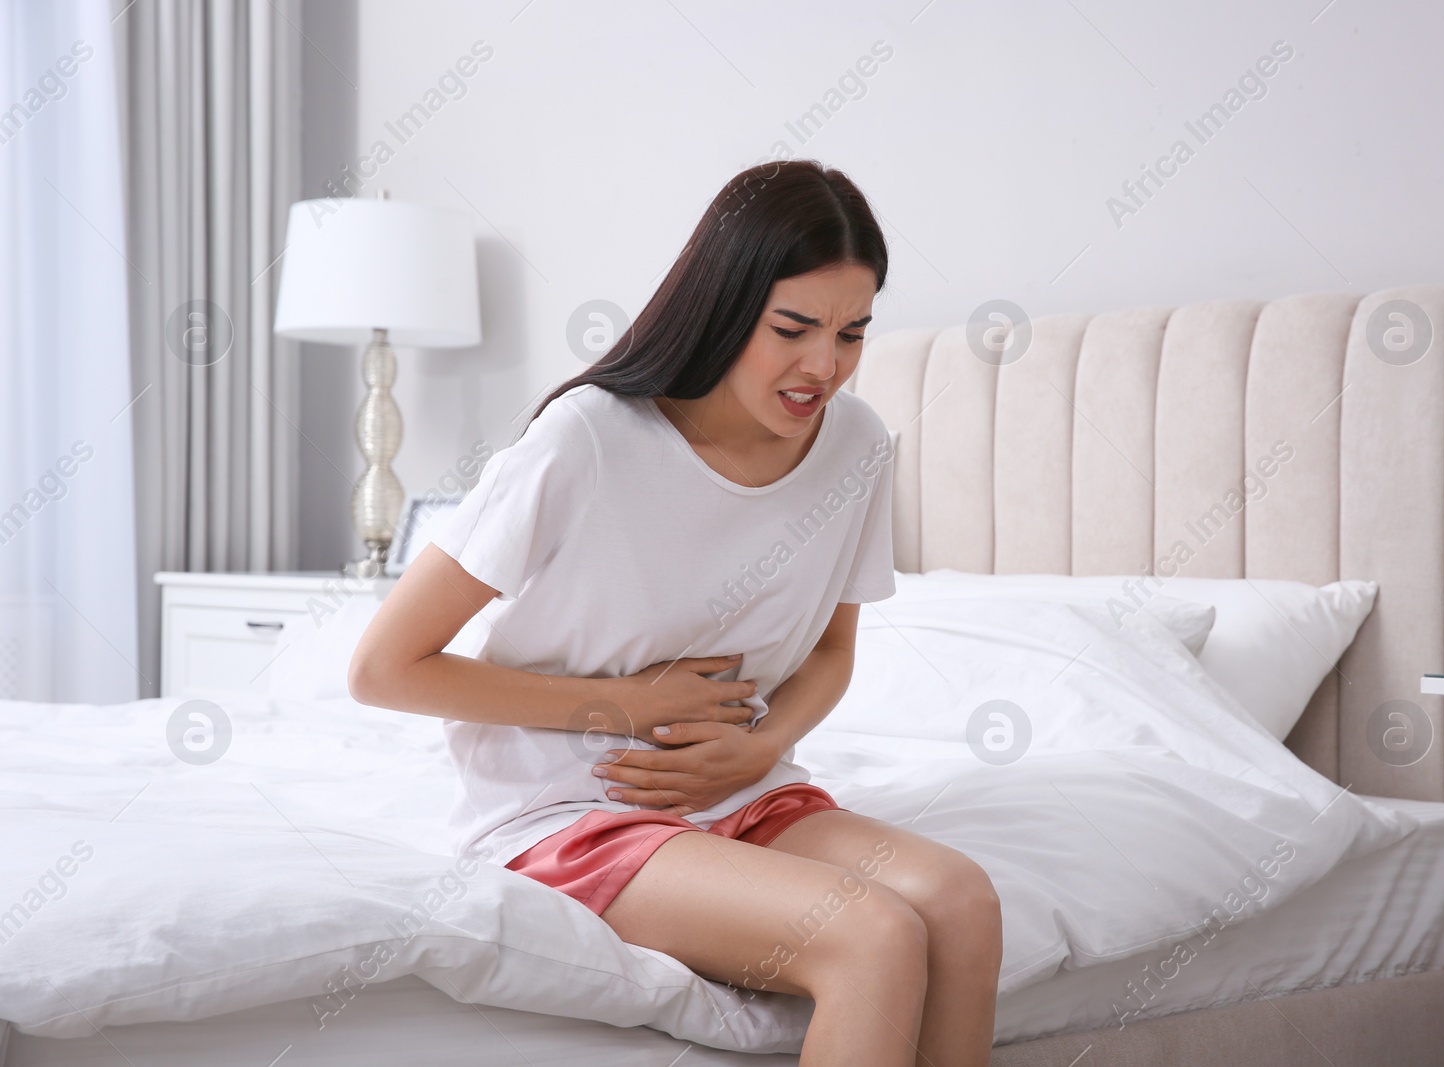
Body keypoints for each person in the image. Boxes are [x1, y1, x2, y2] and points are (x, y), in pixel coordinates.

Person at [349, 159, 1002, 1066]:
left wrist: (762, 747)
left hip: (742, 786)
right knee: (872, 934)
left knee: (962, 902)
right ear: (727, 305)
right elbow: (383, 667)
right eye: (794, 328)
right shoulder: (590, 438)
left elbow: (831, 653)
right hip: (574, 805)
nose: (826, 365)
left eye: (853, 332)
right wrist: (625, 708)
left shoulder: (856, 445)